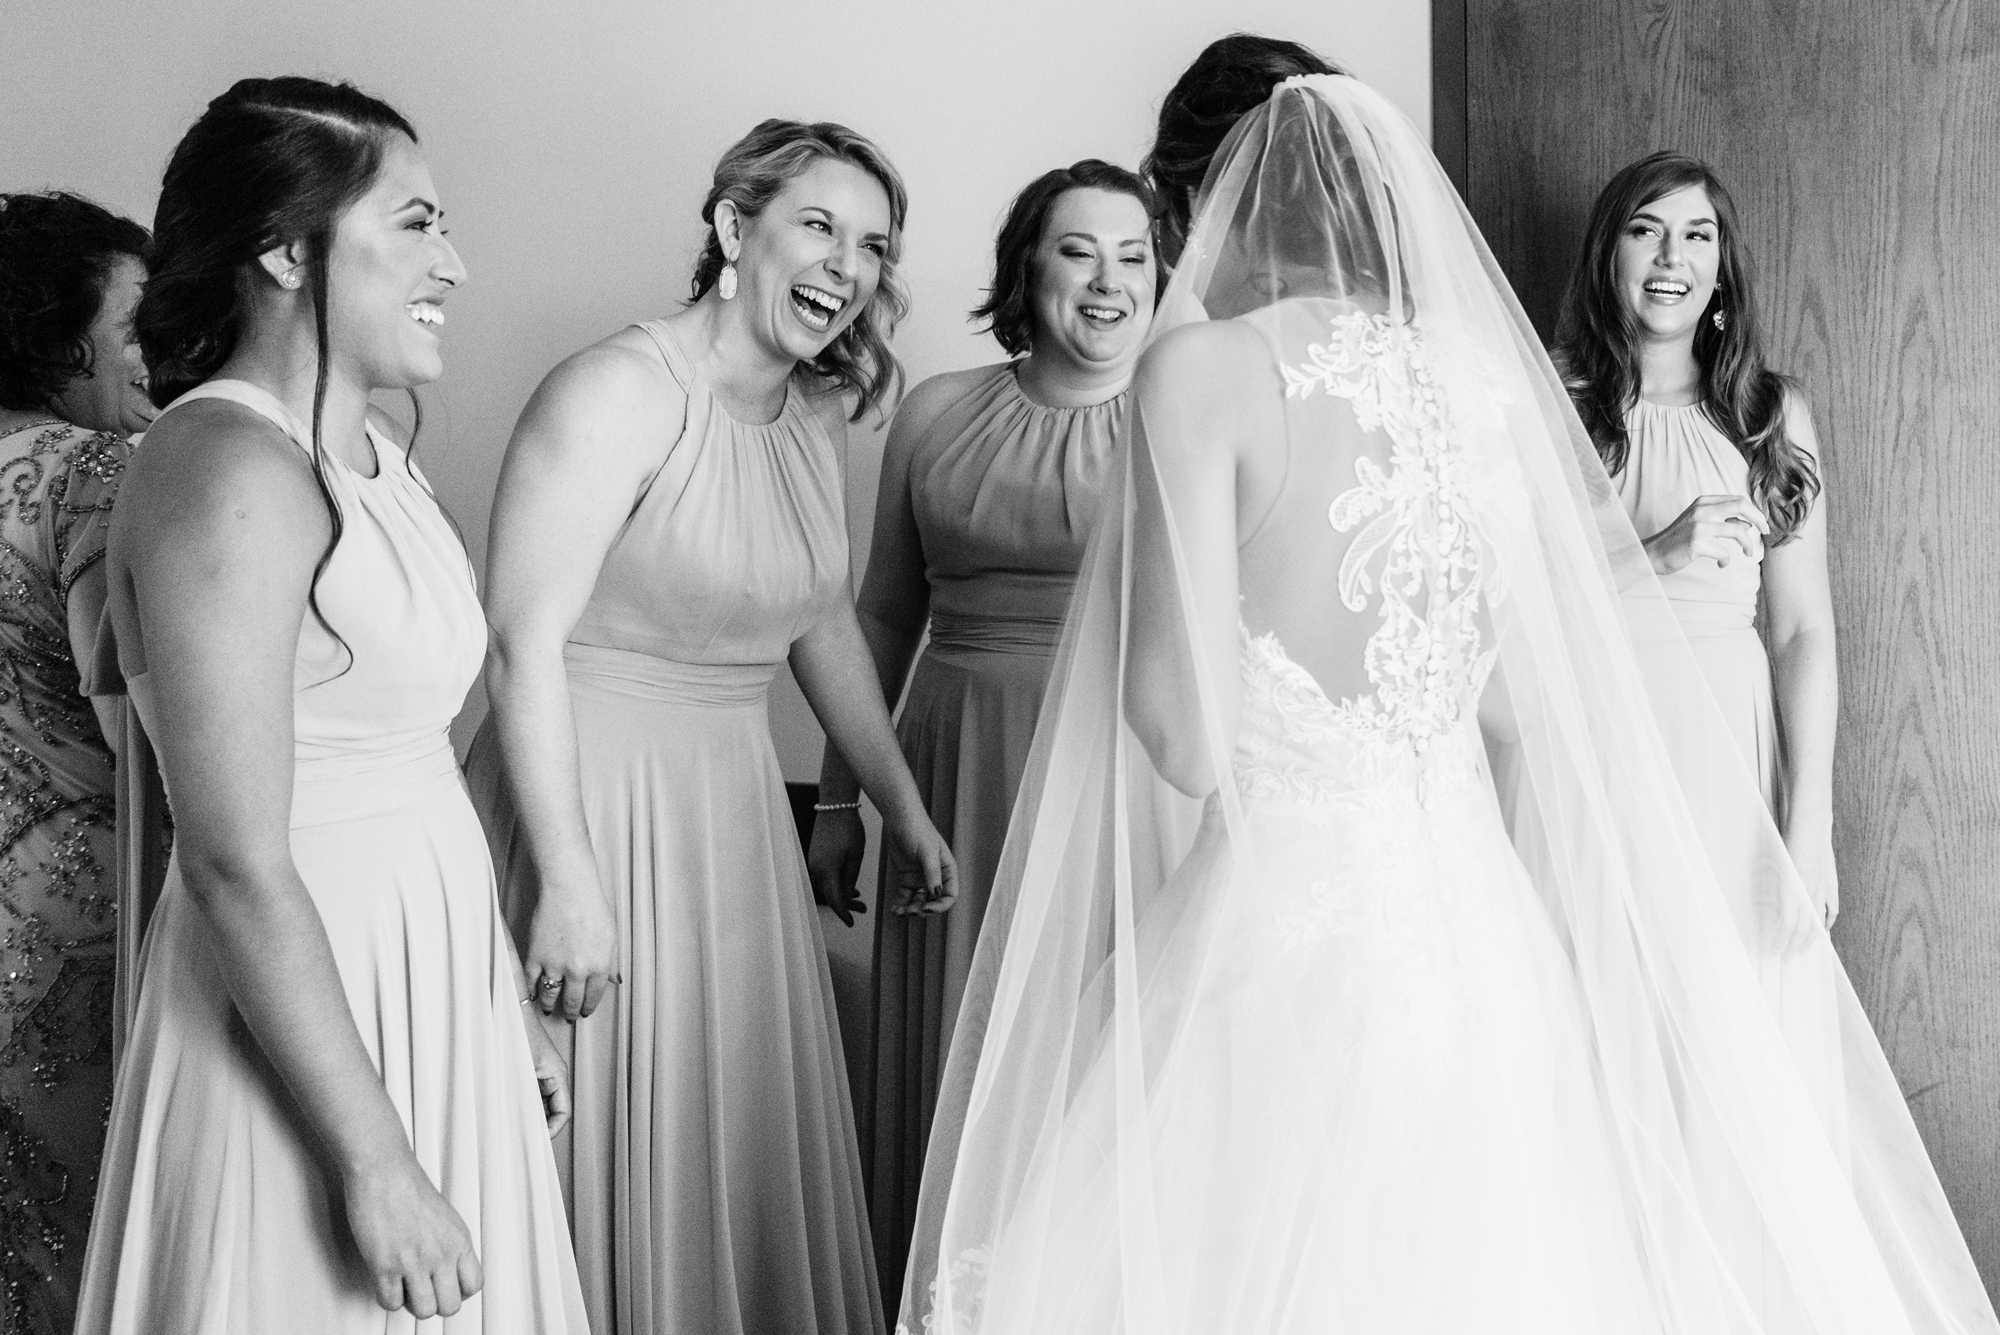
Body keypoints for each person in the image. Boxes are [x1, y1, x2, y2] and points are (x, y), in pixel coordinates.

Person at [896, 38, 1999, 1335]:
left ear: (1204, 193)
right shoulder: (1478, 381)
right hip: (1479, 944)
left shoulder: (1203, 372)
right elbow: (1517, 702)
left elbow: (1187, 742)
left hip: (1283, 935)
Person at [74, 76, 586, 1333]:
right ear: (286, 251)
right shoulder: (223, 466)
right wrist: (375, 1160)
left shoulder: (374, 452)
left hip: (423, 978)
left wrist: (492, 999)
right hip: (301, 1027)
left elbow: (403, 759)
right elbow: (237, 859)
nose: (453, 263)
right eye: (414, 224)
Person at [464, 118, 953, 1335]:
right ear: (736, 229)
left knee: (721, 1130)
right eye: (819, 227)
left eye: (872, 247)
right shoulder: (616, 389)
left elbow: (820, 621)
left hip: (729, 817)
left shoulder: (802, 422)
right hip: (593, 800)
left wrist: (896, 802)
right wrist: (567, 882)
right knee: (600, 1132)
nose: (847, 266)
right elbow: (520, 642)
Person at [805, 158, 1157, 1312]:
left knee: (1097, 1060)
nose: (1106, 283)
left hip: (1122, 772)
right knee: (957, 1049)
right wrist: (841, 798)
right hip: (950, 770)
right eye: (1077, 251)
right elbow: (878, 612)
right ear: (1026, 267)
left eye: (1133, 256)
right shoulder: (938, 411)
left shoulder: (1183, 414)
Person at [0, 189, 149, 1335]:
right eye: (137, 327)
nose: (164, 356)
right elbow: (142, 725)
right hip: (82, 918)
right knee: (88, 1247)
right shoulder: (94, 472)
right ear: (60, 340)